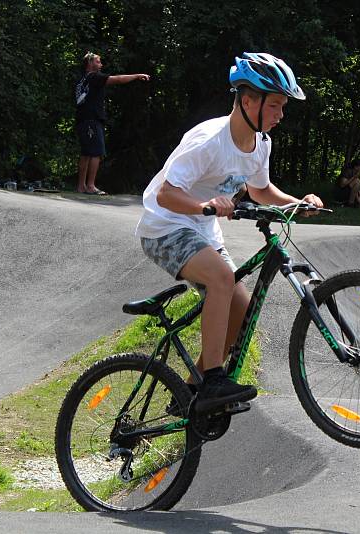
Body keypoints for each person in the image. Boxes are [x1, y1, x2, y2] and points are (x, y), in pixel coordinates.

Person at [135, 52, 323, 411]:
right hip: (164, 226)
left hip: (202, 230)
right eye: (276, 105)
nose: (281, 115)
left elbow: (261, 190)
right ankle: (215, 381)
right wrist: (208, 206)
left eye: (283, 107)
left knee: (242, 310)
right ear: (248, 100)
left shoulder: (260, 143)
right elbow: (166, 193)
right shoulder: (209, 140)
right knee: (222, 278)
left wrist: (298, 202)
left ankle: (190, 396)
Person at [74, 51, 150, 195]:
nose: (101, 64)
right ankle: (90, 186)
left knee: (86, 153)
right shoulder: (94, 77)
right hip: (92, 119)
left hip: (82, 119)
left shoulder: (81, 80)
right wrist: (136, 76)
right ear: (89, 64)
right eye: (98, 61)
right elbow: (118, 79)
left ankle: (80, 186)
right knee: (96, 152)